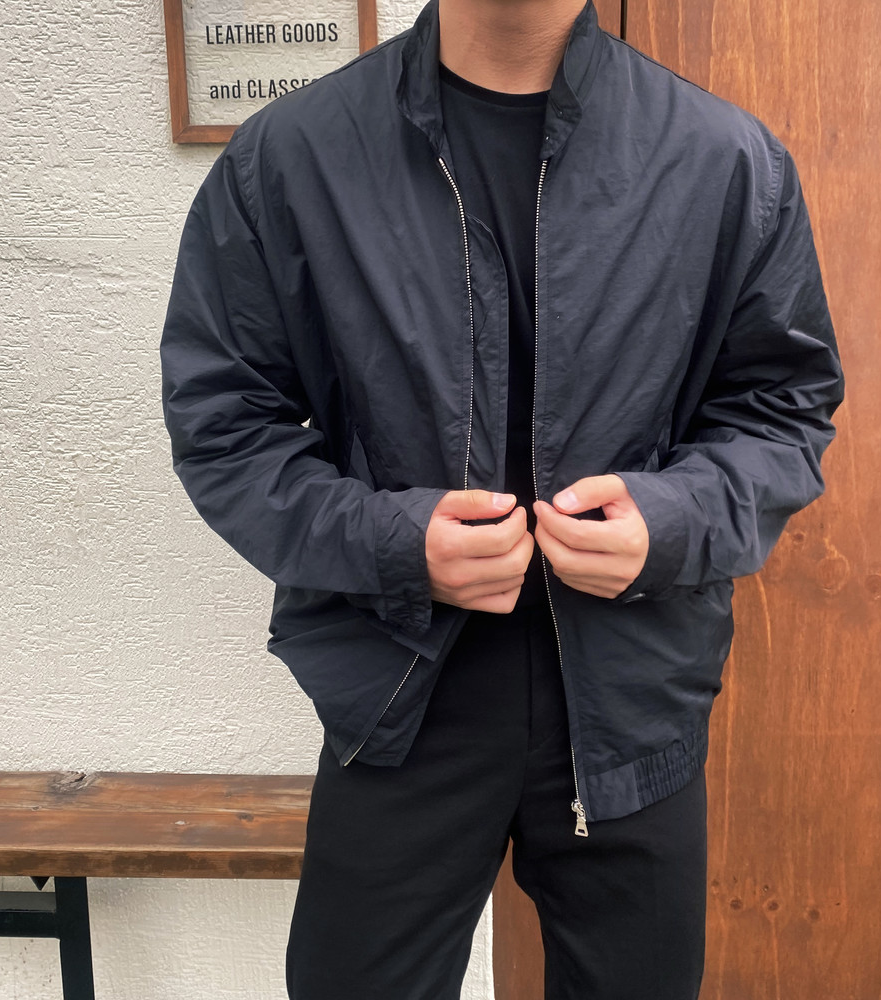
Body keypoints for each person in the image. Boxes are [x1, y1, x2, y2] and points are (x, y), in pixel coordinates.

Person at [159, 0, 844, 996]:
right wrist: (392, 542)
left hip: (632, 698)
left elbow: (782, 410)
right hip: (399, 693)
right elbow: (226, 424)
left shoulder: (724, 161)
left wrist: (672, 521)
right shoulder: (291, 157)